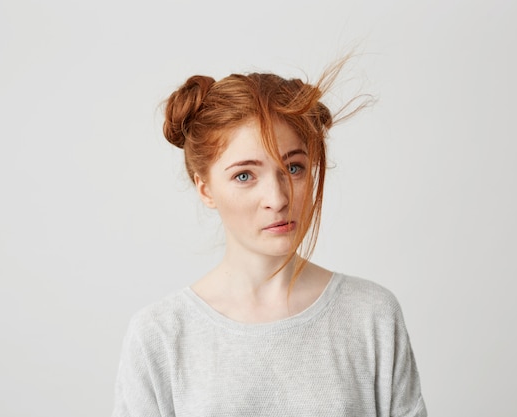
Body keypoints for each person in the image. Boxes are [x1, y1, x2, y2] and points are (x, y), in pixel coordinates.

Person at [111, 60, 427, 417]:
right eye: (245, 176)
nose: (277, 199)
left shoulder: (372, 316)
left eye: (294, 168)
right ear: (205, 188)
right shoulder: (159, 337)